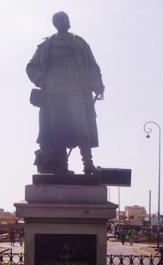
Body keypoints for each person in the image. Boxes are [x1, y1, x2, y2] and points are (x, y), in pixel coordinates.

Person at [26, 11, 105, 174]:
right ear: (57, 23)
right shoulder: (46, 45)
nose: (67, 22)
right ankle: (62, 166)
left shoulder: (79, 43)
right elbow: (31, 67)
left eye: (68, 19)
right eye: (64, 20)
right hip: (53, 95)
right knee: (57, 129)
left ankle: (88, 163)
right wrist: (41, 79)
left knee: (82, 127)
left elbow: (92, 66)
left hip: (77, 93)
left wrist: (97, 84)